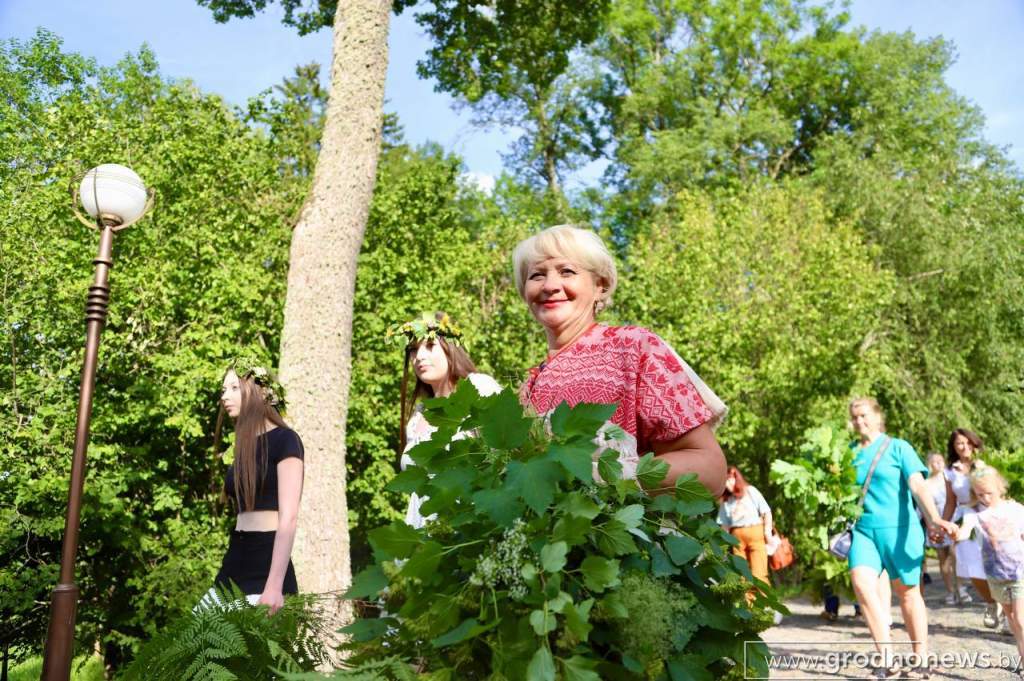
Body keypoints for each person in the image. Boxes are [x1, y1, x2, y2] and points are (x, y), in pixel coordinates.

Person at [513, 224, 728, 495]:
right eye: (536, 275)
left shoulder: (633, 347)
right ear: (525, 293)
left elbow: (709, 469)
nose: (551, 285)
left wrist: (607, 477)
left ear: (600, 285)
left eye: (567, 271)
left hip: (628, 532)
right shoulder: (529, 384)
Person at [846, 397, 957, 679]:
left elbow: (918, 485)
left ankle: (920, 657)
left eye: (864, 415)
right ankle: (887, 659)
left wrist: (934, 518)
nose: (859, 421)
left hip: (900, 531)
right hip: (864, 531)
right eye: (855, 416)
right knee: (861, 585)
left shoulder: (898, 447)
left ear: (877, 416)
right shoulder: (847, 453)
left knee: (908, 595)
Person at [209, 357, 303, 614]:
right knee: (198, 641)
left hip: (267, 560)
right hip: (236, 555)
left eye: (233, 388)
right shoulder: (243, 447)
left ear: (260, 391)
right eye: (223, 390)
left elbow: (289, 516)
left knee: (254, 651)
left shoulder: (286, 440)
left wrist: (274, 586)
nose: (224, 396)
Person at [390, 312, 501, 528]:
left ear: (451, 349)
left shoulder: (479, 388)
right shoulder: (418, 417)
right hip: (423, 539)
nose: (419, 356)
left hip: (467, 532)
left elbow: (506, 457)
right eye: (413, 350)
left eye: (430, 346)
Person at [953, 464, 1024, 668]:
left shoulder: (1015, 509)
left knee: (1020, 618)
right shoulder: (973, 513)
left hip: (1019, 571)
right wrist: (955, 533)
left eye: (989, 493)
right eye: (980, 494)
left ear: (1000, 487)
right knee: (1011, 619)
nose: (985, 498)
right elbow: (965, 531)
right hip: (995, 573)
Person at [942, 428, 1001, 625]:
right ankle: (992, 603)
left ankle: (1009, 608)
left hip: (988, 515)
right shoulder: (950, 471)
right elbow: (951, 501)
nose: (964, 446)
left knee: (998, 564)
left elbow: (998, 490)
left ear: (974, 443)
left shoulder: (985, 463)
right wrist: (943, 524)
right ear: (954, 447)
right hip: (965, 517)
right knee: (970, 565)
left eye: (968, 442)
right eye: (959, 443)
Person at [717, 466, 772, 590]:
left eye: (730, 480)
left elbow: (766, 511)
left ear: (737, 479)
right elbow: (724, 526)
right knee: (742, 575)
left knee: (759, 573)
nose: (727, 484)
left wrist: (767, 533)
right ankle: (748, 606)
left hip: (755, 534)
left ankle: (763, 604)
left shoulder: (750, 491)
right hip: (737, 540)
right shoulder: (726, 501)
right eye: (725, 482)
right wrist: (723, 547)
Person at [920, 452, 961, 605]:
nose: (938, 463)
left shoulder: (950, 478)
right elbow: (923, 506)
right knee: (943, 559)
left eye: (940, 460)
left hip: (954, 519)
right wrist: (932, 525)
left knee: (955, 554)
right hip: (936, 522)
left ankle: (960, 587)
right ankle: (950, 590)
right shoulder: (926, 483)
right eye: (934, 461)